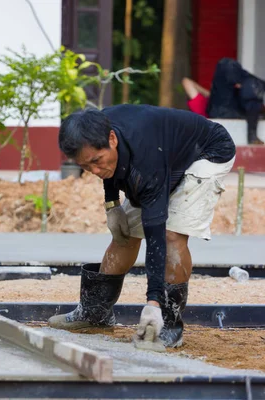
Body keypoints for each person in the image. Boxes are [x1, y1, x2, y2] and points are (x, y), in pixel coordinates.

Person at [50, 105, 236, 348]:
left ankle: (169, 325)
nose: (94, 171)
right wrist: (112, 205)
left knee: (172, 235)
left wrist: (153, 303)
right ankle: (94, 313)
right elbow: (108, 171)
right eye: (86, 167)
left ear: (112, 139)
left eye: (96, 161)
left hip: (207, 152)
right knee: (124, 234)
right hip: (164, 152)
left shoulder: (147, 160)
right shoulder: (96, 128)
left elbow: (155, 232)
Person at [183, 58, 265, 144]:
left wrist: (211, 94)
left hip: (236, 110)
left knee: (248, 84)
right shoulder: (201, 106)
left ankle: (248, 83)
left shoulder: (207, 99)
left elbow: (186, 82)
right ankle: (252, 135)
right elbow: (186, 82)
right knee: (227, 65)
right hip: (221, 112)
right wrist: (211, 94)